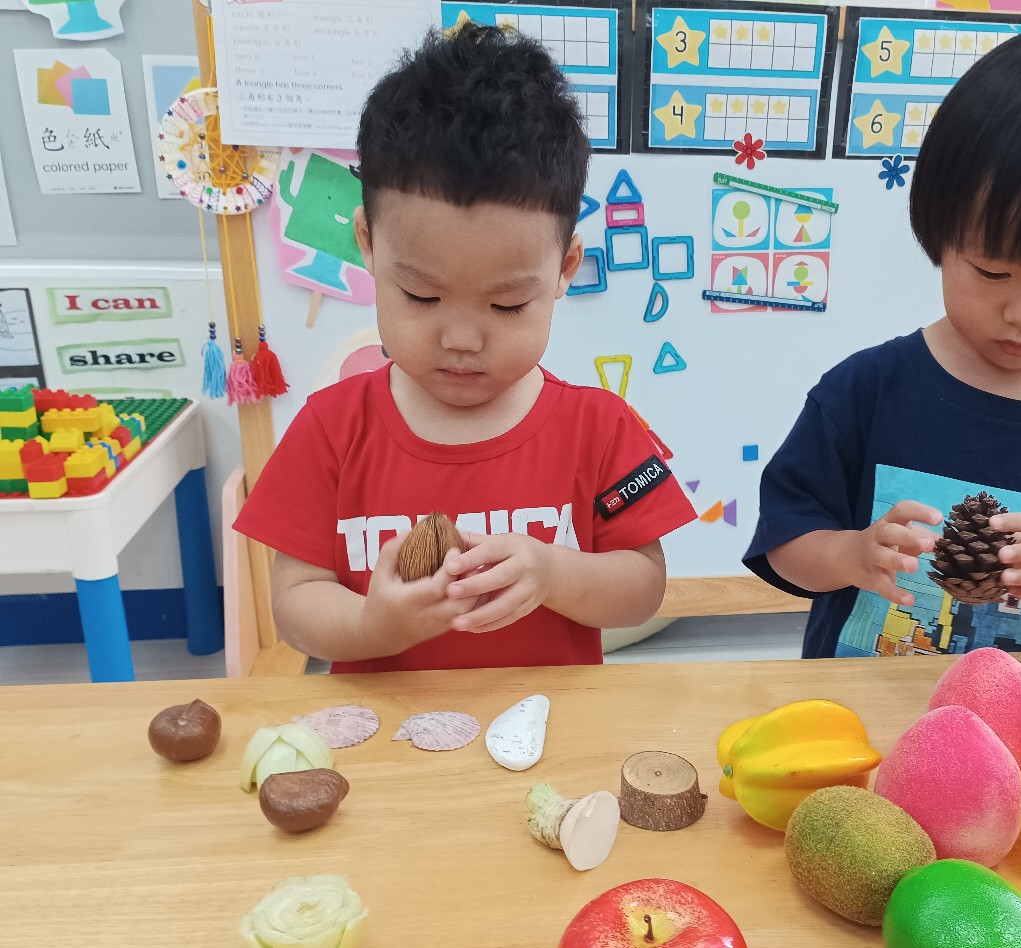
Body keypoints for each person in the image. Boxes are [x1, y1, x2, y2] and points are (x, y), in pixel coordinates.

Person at [235, 26, 695, 673]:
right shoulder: (331, 429)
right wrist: (372, 625)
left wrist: (554, 573)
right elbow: (295, 603)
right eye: (421, 296)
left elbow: (643, 589)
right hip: (386, 727)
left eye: (507, 305)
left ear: (564, 269)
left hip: (551, 724)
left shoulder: (598, 427)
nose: (461, 339)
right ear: (367, 242)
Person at [744, 26, 1021, 658]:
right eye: (992, 271)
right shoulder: (865, 390)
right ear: (941, 231)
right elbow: (785, 544)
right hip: (862, 709)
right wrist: (850, 554)